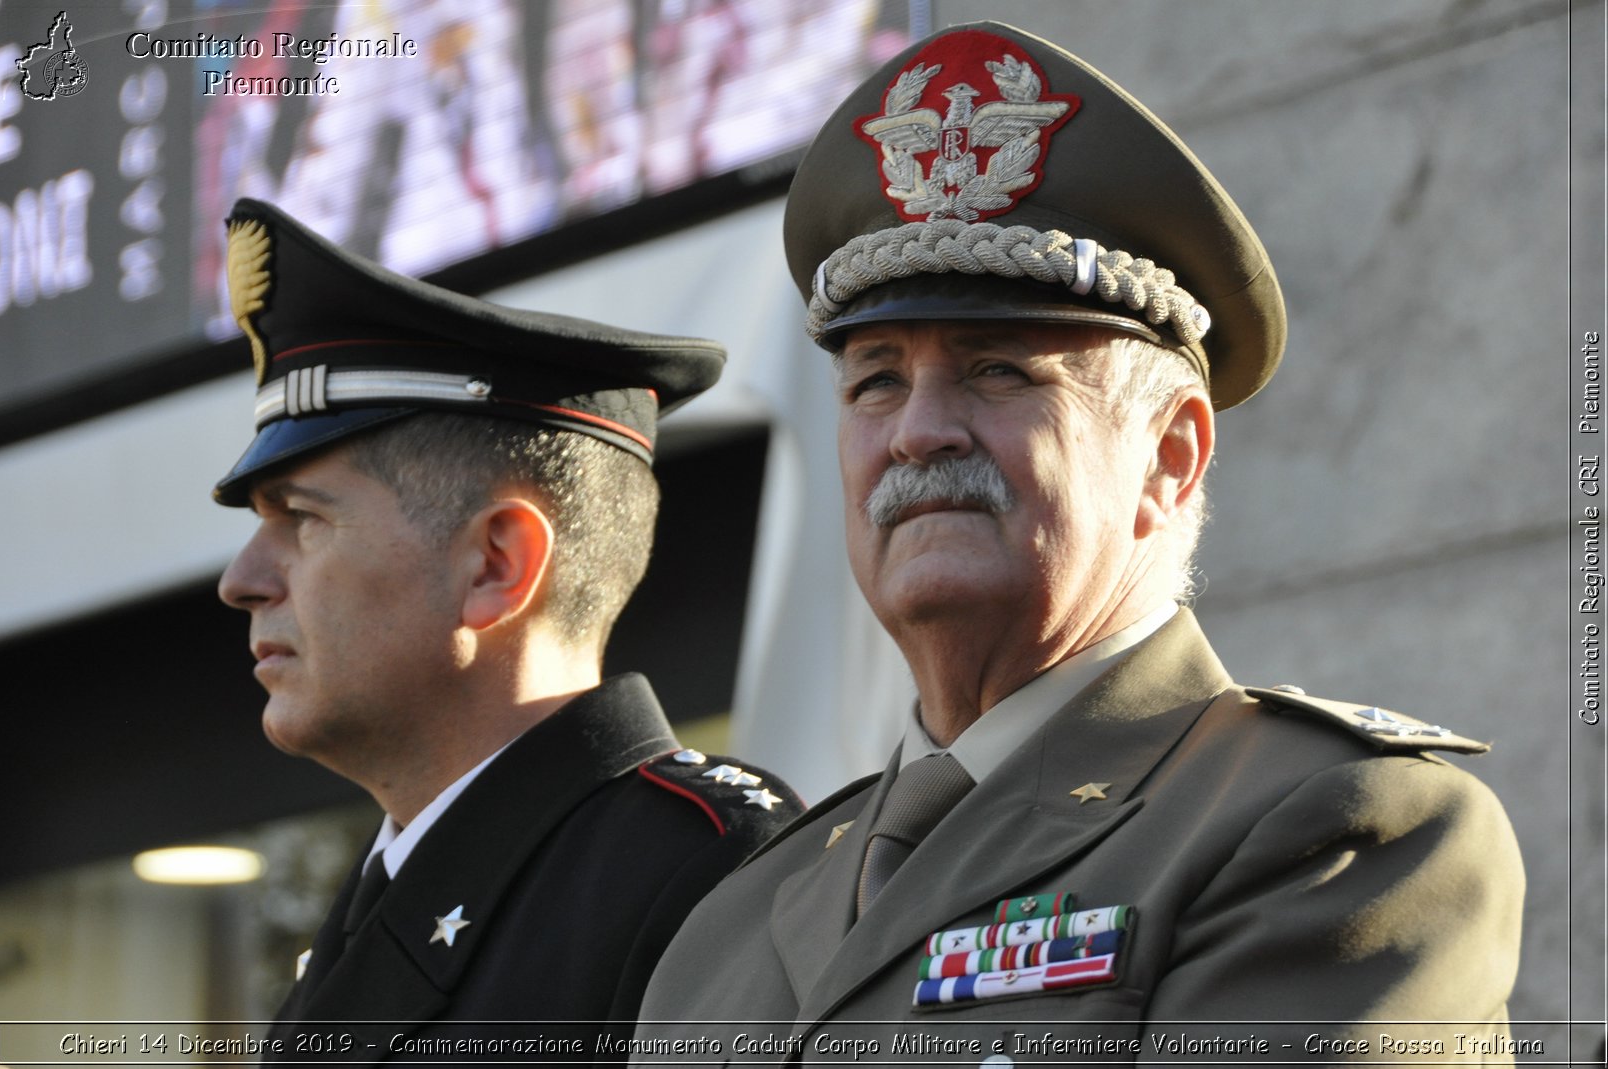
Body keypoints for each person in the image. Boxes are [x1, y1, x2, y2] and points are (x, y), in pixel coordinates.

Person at [633, 21, 1523, 1061]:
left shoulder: (1337, 830)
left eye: (998, 369)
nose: (917, 430)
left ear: (1170, 454)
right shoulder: (734, 916)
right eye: (875, 379)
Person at [212, 198, 801, 1060]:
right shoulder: (376, 905)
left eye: (301, 519)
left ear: (496, 563)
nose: (242, 581)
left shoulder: (707, 875)